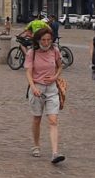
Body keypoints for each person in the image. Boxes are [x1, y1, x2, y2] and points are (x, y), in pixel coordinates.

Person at [24, 27, 65, 164]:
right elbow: (29, 72)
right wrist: (34, 87)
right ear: (38, 40)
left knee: (53, 120)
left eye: (49, 40)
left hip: (52, 89)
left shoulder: (55, 51)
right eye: (43, 40)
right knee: (37, 119)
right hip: (37, 88)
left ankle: (55, 153)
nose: (46, 43)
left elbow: (60, 66)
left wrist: (55, 77)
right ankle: (36, 145)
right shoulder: (32, 53)